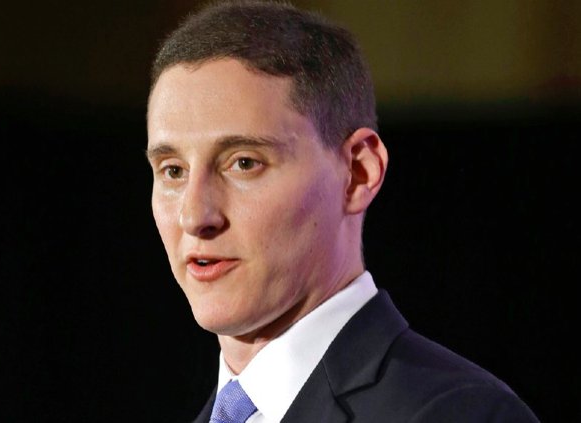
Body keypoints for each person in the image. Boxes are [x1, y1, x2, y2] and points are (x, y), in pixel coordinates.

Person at [144, 1, 539, 422]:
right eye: (173, 171)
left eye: (244, 163)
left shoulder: (459, 413)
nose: (194, 216)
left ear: (357, 173)